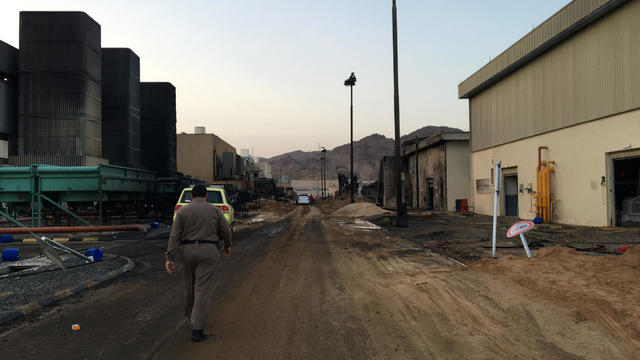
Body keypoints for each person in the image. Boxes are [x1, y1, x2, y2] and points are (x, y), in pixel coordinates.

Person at [165, 184, 232, 342]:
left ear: (192, 196)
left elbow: (174, 236)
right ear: (206, 196)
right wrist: (227, 245)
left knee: (190, 285)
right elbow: (226, 230)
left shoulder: (182, 211)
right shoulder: (215, 210)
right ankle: (197, 329)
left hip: (187, 251)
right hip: (208, 251)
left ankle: (191, 317)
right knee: (202, 289)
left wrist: (170, 257)